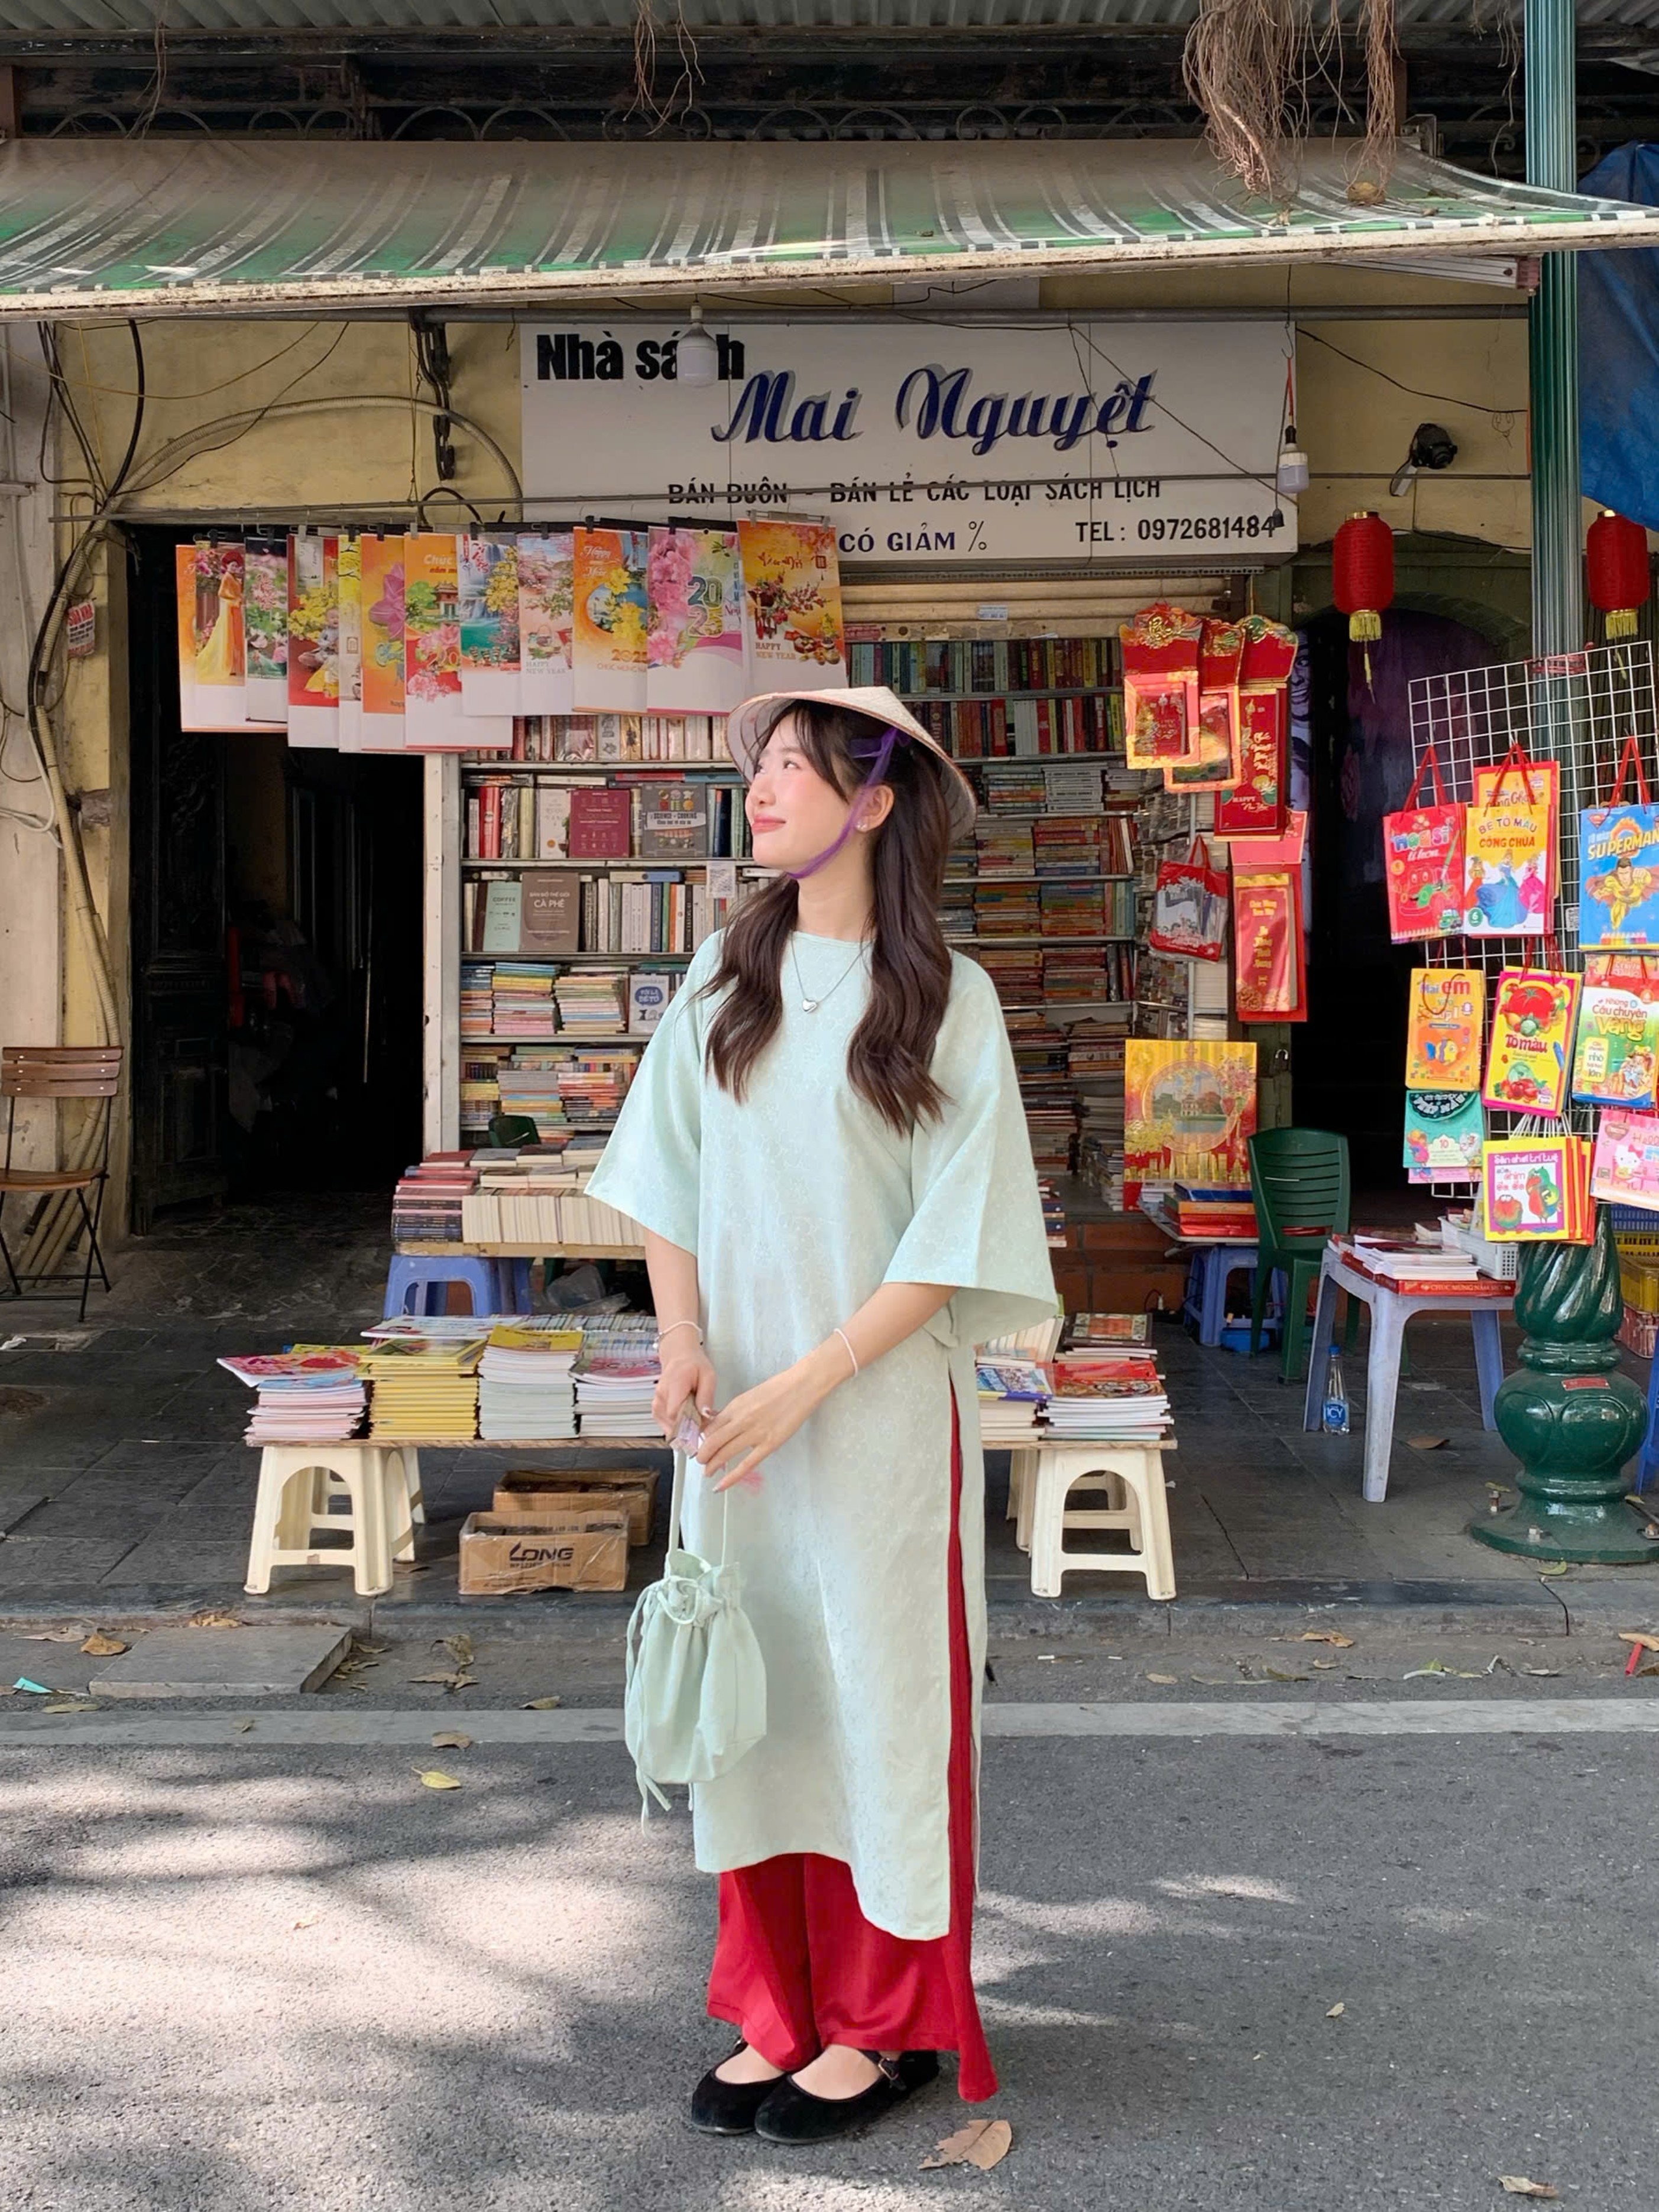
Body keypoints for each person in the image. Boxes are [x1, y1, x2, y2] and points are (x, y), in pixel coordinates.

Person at [584, 685, 1057, 2145]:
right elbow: (661, 1174)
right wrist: (680, 1339)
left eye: (792, 765)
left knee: (878, 1703)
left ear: (871, 800)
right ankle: (775, 2008)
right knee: (758, 1702)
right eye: (762, 765)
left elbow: (951, 1240)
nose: (762, 787)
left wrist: (808, 1379)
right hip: (737, 1428)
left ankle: (882, 2022)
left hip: (876, 1428)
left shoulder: (947, 1000)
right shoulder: (724, 976)